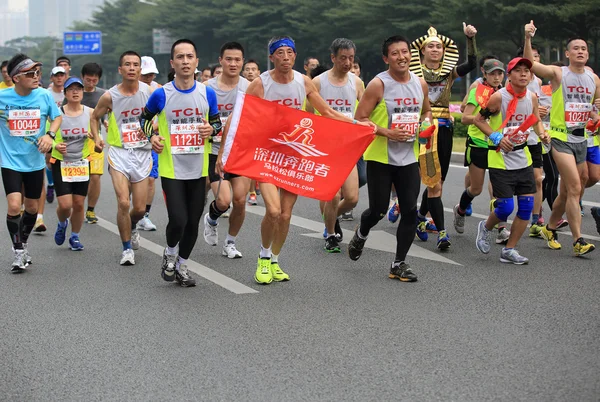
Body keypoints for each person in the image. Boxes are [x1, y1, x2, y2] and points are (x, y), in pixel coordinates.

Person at [216, 35, 373, 284]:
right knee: (274, 210)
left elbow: (328, 112)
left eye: (290, 52)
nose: (286, 57)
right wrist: (223, 154)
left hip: (294, 157)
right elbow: (238, 118)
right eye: (280, 53)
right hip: (267, 155)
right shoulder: (260, 84)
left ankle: (275, 260)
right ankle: (263, 258)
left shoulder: (304, 82)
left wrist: (358, 125)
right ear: (272, 57)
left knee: (287, 215)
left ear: (295, 56)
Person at [347, 35, 430, 282]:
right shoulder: (378, 85)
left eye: (405, 52)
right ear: (386, 58)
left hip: (409, 157)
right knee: (378, 210)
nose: (401, 57)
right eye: (395, 53)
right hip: (381, 158)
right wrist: (388, 132)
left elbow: (426, 111)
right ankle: (361, 233)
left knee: (410, 210)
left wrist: (427, 124)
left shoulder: (420, 83)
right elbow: (360, 118)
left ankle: (398, 263)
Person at [140, 38, 221, 287]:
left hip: (198, 167)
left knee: (193, 219)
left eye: (189, 57)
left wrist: (211, 129)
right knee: (178, 218)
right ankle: (170, 253)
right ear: (172, 63)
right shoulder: (161, 94)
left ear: (196, 61)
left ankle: (183, 265)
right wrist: (152, 136)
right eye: (180, 57)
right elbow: (143, 119)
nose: (185, 61)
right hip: (171, 167)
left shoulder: (207, 92)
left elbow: (216, 123)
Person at [524, 21, 598, 256]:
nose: (580, 51)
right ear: (567, 53)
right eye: (575, 48)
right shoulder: (558, 73)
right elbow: (531, 65)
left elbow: (593, 108)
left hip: (581, 139)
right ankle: (578, 241)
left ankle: (549, 227)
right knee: (575, 186)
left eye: (584, 48)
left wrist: (596, 115)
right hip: (559, 138)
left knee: (571, 190)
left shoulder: (594, 79)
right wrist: (528, 38)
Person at [404, 24, 478, 250]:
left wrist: (470, 40)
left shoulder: (449, 72)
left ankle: (418, 218)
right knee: (432, 182)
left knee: (439, 182)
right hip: (424, 129)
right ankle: (441, 232)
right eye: (431, 46)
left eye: (439, 46)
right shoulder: (412, 74)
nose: (435, 49)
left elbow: (472, 64)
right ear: (422, 51)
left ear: (444, 52)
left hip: (444, 128)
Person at [474, 57, 549, 264]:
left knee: (526, 207)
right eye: (518, 70)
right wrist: (496, 136)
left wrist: (542, 133)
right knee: (506, 207)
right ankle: (486, 227)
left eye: (527, 71)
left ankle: (509, 249)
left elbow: (536, 121)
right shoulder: (499, 97)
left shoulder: (532, 97)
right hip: (500, 159)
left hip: (523, 159)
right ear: (510, 75)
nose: (524, 74)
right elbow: (478, 120)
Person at [0, 54, 62, 272]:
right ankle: (18, 251)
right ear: (16, 78)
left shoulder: (44, 96)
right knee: (15, 205)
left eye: (37, 72)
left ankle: (24, 243)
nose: (36, 77)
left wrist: (50, 136)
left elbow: (57, 117)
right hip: (9, 161)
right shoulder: (2, 97)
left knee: (33, 208)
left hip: (34, 163)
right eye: (29, 73)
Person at [91, 51, 153, 266]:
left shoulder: (150, 92)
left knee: (139, 209)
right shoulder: (110, 96)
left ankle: (133, 225)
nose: (132, 68)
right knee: (123, 202)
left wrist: (157, 131)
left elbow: (163, 115)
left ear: (140, 69)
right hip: (119, 152)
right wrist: (98, 137)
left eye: (136, 64)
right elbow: (94, 116)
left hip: (143, 153)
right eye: (127, 64)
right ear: (120, 69)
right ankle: (127, 248)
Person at [310, 38, 364, 252]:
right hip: (324, 148)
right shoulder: (318, 83)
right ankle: (331, 234)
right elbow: (308, 115)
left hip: (348, 147)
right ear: (333, 58)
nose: (348, 62)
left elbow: (366, 110)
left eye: (351, 58)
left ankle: (330, 218)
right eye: (343, 58)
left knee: (351, 198)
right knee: (332, 195)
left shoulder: (357, 83)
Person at [453, 58, 509, 242]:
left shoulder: (505, 93)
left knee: (499, 188)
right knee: (476, 189)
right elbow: (465, 118)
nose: (496, 76)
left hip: (497, 145)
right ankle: (460, 210)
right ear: (484, 74)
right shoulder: (478, 91)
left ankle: (501, 227)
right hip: (478, 143)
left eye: (499, 73)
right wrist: (482, 116)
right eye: (492, 73)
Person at [204, 42, 251, 258]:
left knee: (240, 201)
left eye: (237, 60)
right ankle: (212, 218)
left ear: (243, 62)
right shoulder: (206, 88)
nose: (233, 63)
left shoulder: (250, 87)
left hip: (241, 153)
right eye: (229, 59)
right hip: (214, 152)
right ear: (221, 60)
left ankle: (230, 243)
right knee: (223, 201)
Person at [51, 77, 93, 251]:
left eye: (79, 89)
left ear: (83, 92)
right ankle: (62, 223)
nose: (75, 92)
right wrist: (55, 145)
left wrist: (97, 141)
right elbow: (48, 135)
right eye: (71, 89)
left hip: (82, 162)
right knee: (65, 205)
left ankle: (74, 236)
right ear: (65, 93)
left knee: (78, 203)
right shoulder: (57, 113)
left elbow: (98, 134)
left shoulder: (90, 113)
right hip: (61, 162)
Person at [79, 62, 107, 224]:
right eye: (88, 80)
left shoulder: (103, 95)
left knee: (95, 176)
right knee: (80, 178)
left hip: (95, 140)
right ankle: (77, 207)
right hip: (76, 141)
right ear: (83, 77)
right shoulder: (74, 93)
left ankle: (90, 210)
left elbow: (108, 114)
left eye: (94, 80)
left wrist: (106, 123)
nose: (91, 83)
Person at [137, 56, 161, 232]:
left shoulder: (159, 90)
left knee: (151, 179)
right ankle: (133, 211)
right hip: (129, 144)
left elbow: (164, 116)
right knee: (134, 182)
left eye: (151, 74)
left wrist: (150, 128)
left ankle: (145, 215)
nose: (148, 77)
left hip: (151, 140)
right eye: (145, 74)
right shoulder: (128, 90)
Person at [242, 59, 262, 204]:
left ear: (258, 72)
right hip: (247, 131)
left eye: (253, 69)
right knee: (251, 161)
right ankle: (252, 192)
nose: (250, 72)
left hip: (262, 130)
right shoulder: (241, 88)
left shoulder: (265, 87)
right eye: (247, 69)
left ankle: (258, 184)